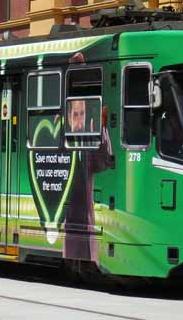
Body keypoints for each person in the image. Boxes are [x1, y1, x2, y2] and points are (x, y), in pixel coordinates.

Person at [63, 98, 113, 262]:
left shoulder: (89, 142)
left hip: (86, 222)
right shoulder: (60, 144)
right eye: (75, 115)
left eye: (82, 114)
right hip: (69, 223)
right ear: (69, 118)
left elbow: (105, 163)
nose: (79, 120)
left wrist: (102, 130)